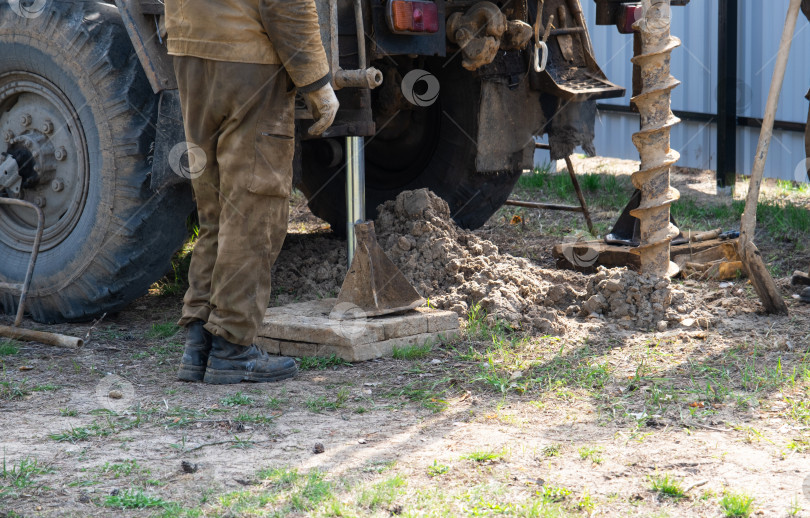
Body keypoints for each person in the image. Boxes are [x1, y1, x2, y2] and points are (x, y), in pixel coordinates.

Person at [164, 0, 339, 383]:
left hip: (190, 48)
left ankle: (200, 341)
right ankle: (232, 346)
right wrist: (316, 79)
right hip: (248, 59)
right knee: (253, 207)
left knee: (215, 207)